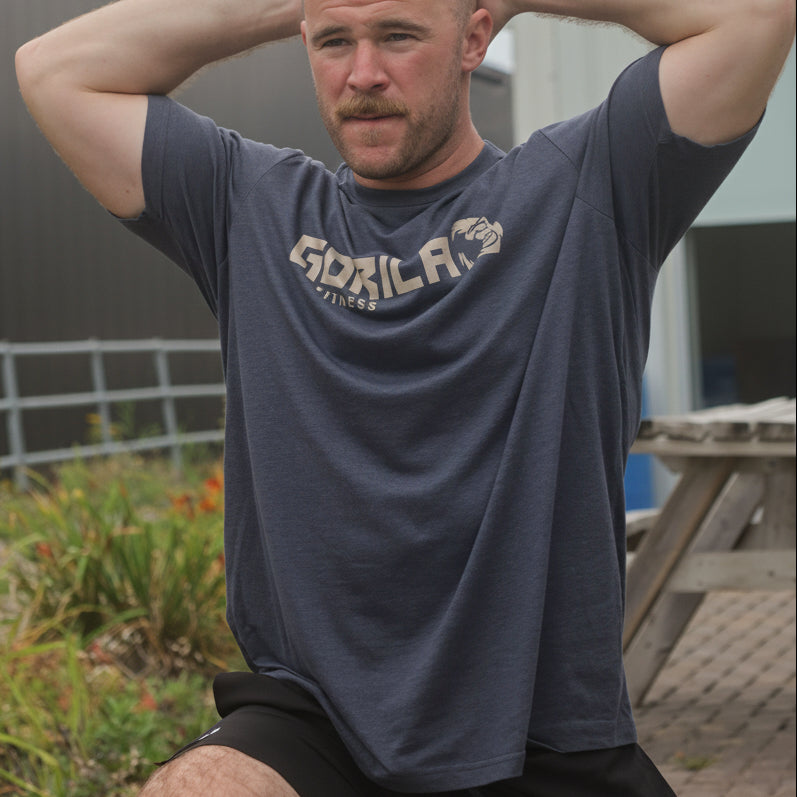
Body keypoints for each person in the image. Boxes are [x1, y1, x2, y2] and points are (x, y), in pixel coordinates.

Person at [15, 0, 794, 794]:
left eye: (397, 35)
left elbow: (753, 16)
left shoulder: (590, 186)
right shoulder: (245, 205)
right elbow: (54, 70)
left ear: (476, 38)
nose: (362, 75)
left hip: (539, 731)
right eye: (333, 42)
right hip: (313, 718)